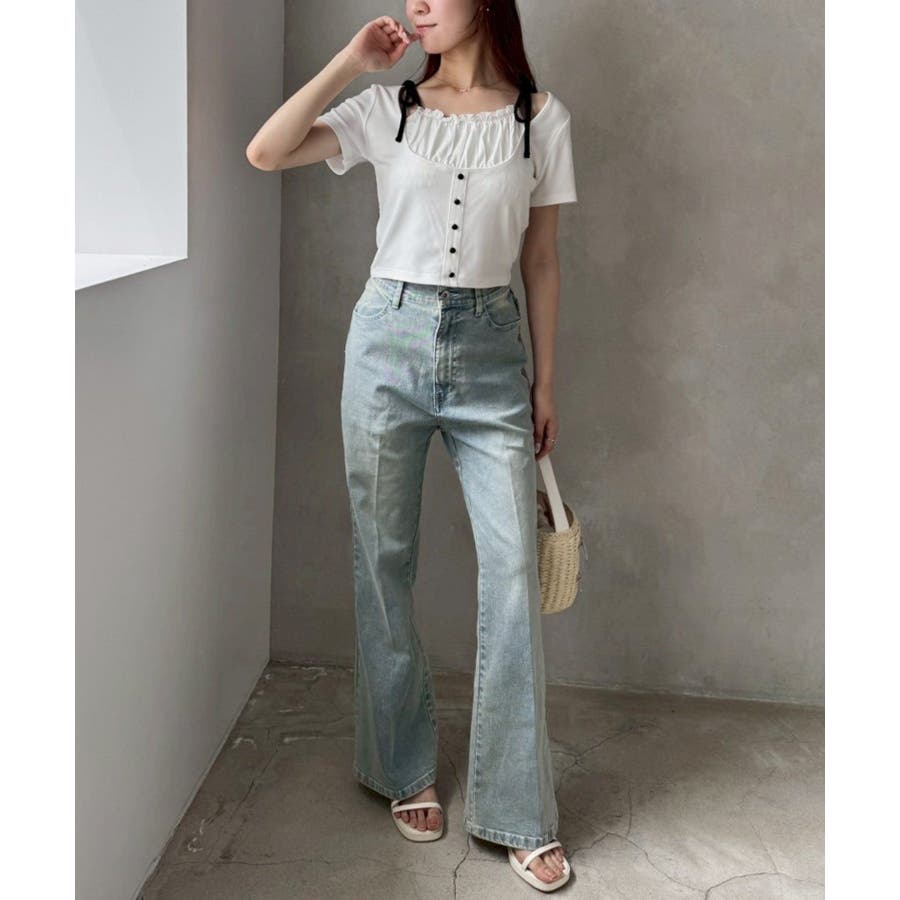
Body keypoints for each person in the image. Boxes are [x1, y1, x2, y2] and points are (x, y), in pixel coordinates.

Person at [247, 2, 577, 891]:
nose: (418, 4)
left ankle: (518, 809)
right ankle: (402, 767)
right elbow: (266, 152)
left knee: (513, 572)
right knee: (382, 558)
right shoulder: (385, 109)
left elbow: (542, 259)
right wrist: (349, 64)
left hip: (493, 353)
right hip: (386, 344)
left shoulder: (540, 118)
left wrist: (545, 384)